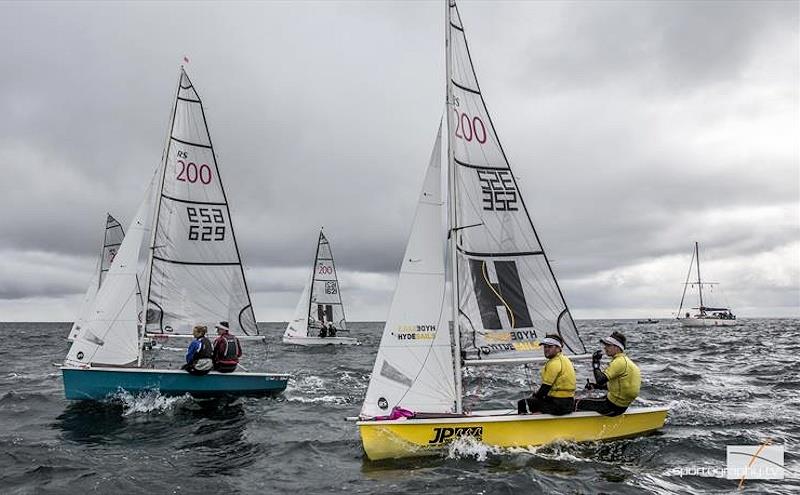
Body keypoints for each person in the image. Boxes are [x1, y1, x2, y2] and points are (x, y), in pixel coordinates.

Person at [576, 331, 641, 416]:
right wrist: (595, 386)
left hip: (613, 406)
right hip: (620, 405)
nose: (605, 348)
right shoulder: (626, 361)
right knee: (590, 400)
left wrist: (596, 363)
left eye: (608, 345)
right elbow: (619, 387)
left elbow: (600, 380)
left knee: (576, 402)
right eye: (605, 345)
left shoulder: (618, 362)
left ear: (617, 347)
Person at [517, 334, 576, 416]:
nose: (546, 349)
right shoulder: (564, 359)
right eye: (545, 347)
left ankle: (526, 424)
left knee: (522, 403)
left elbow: (545, 389)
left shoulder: (554, 363)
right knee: (536, 400)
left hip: (559, 406)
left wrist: (534, 396)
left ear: (558, 348)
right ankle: (539, 415)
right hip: (567, 402)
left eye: (550, 347)